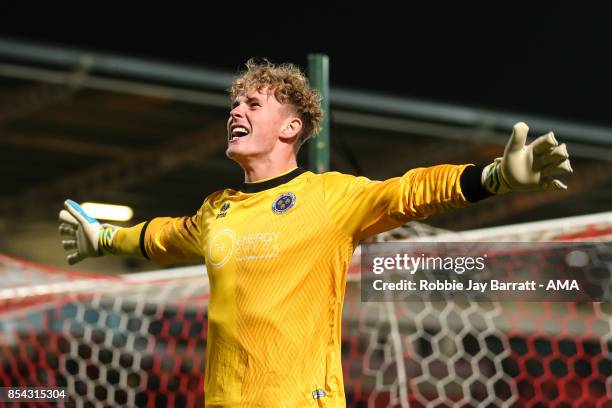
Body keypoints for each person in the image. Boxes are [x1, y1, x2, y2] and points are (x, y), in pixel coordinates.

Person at [59, 59, 572, 407]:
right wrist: (102, 238)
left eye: (252, 105)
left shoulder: (329, 197)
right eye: (234, 106)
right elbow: (163, 237)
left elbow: (409, 192)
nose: (235, 112)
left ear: (290, 127)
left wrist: (494, 177)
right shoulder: (219, 210)